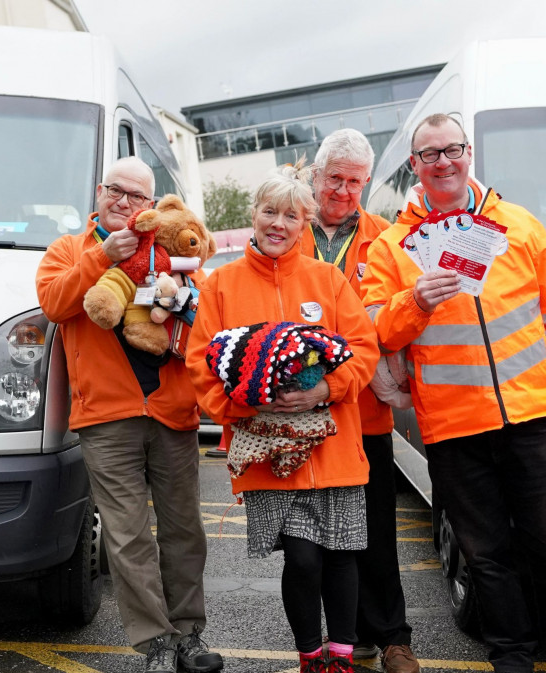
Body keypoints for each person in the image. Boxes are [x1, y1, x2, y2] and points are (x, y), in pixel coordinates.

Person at [360, 113, 546, 673]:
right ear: (415, 166)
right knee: (488, 560)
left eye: (452, 149)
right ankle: (512, 660)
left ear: (468, 152)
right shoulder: (393, 247)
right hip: (454, 429)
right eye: (430, 154)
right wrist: (416, 301)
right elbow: (377, 330)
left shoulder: (519, 226)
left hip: (535, 417)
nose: (443, 162)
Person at [186, 160, 379, 673]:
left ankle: (340, 658)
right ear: (253, 215)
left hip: (336, 448)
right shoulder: (221, 285)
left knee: (341, 557)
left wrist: (325, 389)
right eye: (270, 211)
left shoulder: (329, 280)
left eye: (291, 216)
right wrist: (247, 402)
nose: (279, 224)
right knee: (304, 558)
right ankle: (310, 656)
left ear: (305, 224)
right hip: (269, 454)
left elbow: (363, 351)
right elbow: (199, 367)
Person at [36, 157, 223, 673]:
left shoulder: (176, 254)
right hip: (106, 418)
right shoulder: (68, 251)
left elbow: (204, 322)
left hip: (172, 411)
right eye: (115, 191)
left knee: (185, 530)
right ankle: (156, 645)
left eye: (136, 196)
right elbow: (54, 303)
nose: (124, 202)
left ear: (152, 205)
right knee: (127, 535)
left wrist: (182, 301)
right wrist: (101, 257)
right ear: (99, 192)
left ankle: (188, 636)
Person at [303, 129, 420, 673]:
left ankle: (392, 636)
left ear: (366, 183)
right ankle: (339, 637)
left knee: (375, 529)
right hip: (301, 411)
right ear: (315, 176)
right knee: (312, 536)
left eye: (354, 181)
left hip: (367, 413)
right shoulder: (288, 229)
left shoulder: (388, 238)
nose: (344, 191)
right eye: (335, 179)